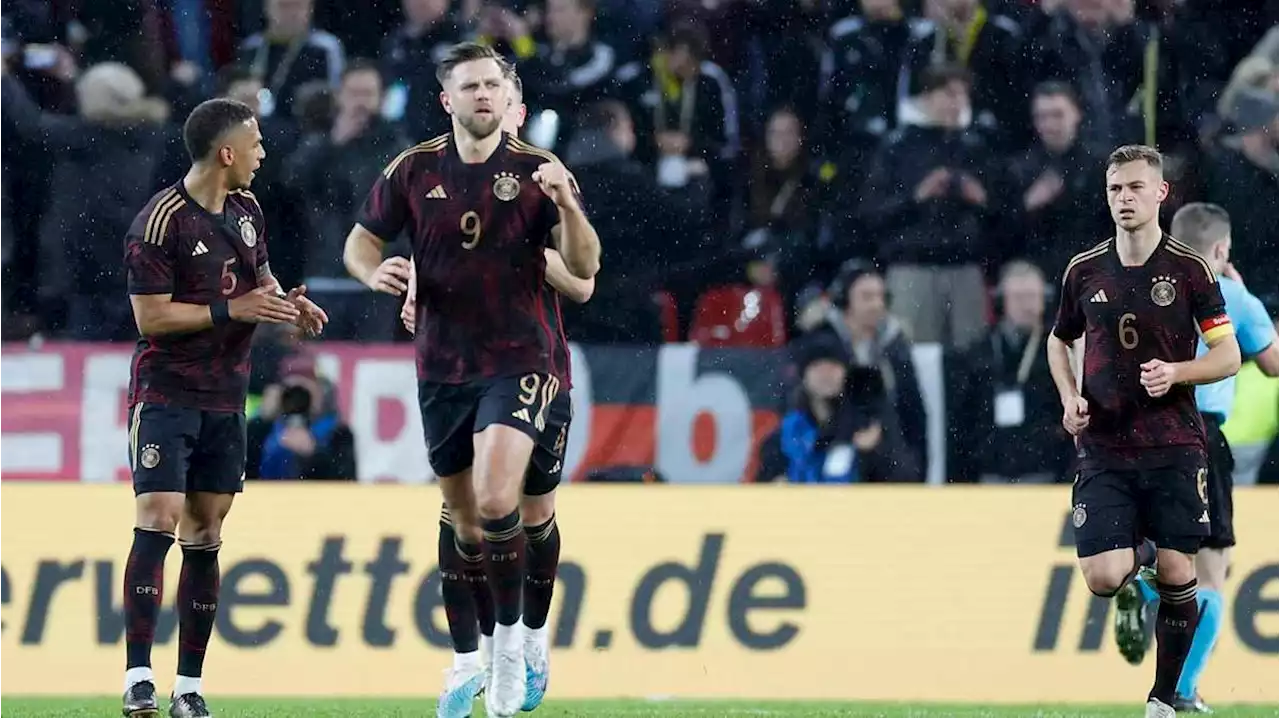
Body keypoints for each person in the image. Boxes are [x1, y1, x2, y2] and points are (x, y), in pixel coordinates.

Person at [342, 42, 600, 718]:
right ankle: (467, 658)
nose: (484, 95)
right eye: (471, 85)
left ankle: (518, 646)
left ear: (510, 98)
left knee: (502, 503)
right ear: (446, 99)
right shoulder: (414, 169)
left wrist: (568, 211)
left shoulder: (538, 170)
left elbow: (585, 274)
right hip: (443, 364)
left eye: (494, 84)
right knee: (462, 520)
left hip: (526, 361)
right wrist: (380, 272)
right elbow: (361, 241)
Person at [120, 98, 328, 718]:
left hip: (226, 395)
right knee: (158, 515)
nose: (264, 154)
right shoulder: (158, 223)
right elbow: (151, 316)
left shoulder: (247, 210)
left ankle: (189, 686)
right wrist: (228, 312)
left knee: (206, 532)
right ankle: (137, 676)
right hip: (166, 392)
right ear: (227, 152)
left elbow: (257, 282)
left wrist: (289, 308)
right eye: (256, 143)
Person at [1046, 145, 1241, 718]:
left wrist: (1178, 371)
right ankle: (1145, 554)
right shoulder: (1084, 270)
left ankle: (1162, 699)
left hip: (1175, 443)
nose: (1124, 199)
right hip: (1104, 444)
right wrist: (1069, 397)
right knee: (1104, 577)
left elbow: (1227, 354)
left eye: (1135, 188)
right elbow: (1061, 340)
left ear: (1161, 193)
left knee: (1183, 573)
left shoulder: (1190, 270)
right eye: (1115, 189)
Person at [1113, 202, 1280, 712]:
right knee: (1211, 573)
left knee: (1167, 561)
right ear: (1221, 249)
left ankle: (1138, 584)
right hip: (1201, 436)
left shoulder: (1140, 288)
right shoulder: (1229, 295)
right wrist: (1246, 295)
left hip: (1140, 433)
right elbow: (1272, 365)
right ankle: (1181, 690)